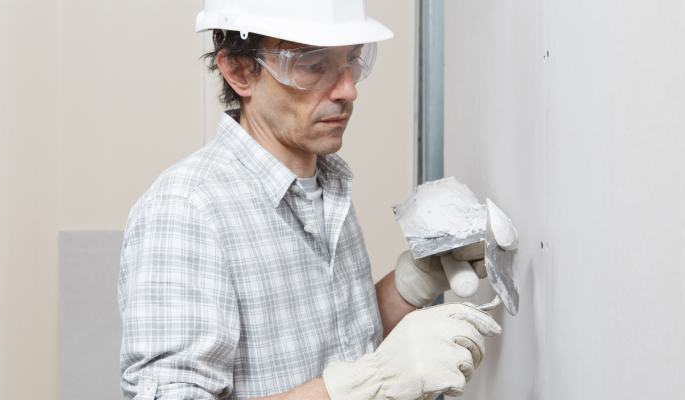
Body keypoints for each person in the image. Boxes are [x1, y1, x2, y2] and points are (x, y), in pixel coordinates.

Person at [117, 1, 517, 399]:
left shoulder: (326, 184)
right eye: (312, 65)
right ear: (239, 70)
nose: (348, 89)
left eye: (353, 60)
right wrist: (374, 381)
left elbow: (338, 345)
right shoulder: (187, 210)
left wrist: (410, 286)